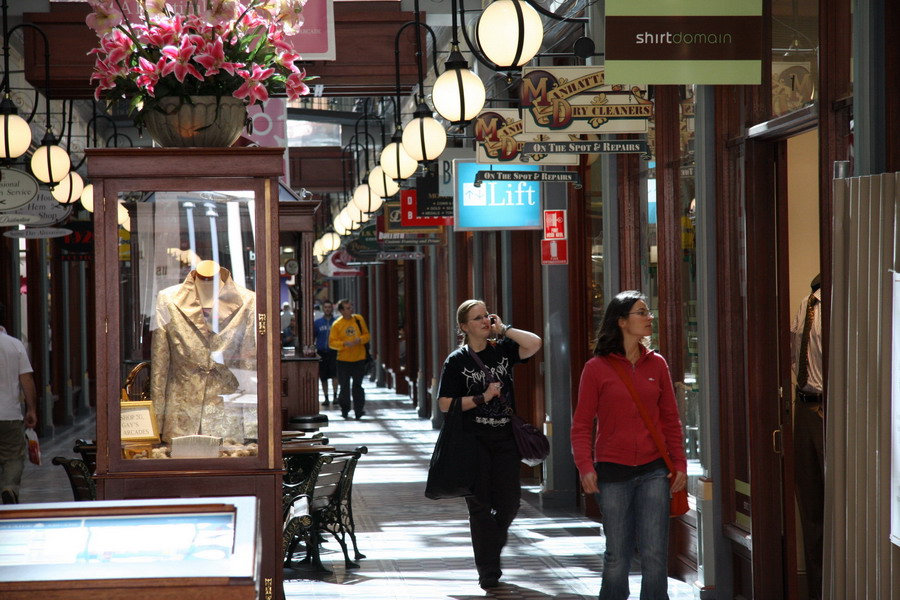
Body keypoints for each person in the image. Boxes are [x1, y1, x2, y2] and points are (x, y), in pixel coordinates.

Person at [571, 290, 687, 600]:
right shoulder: (596, 368)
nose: (650, 317)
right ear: (622, 322)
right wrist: (585, 466)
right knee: (617, 555)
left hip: (654, 470)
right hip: (613, 471)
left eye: (648, 312)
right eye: (642, 312)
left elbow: (671, 420)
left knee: (654, 554)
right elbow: (581, 424)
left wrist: (680, 464)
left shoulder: (657, 364)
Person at [436, 299, 542, 590]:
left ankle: (490, 546)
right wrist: (482, 397)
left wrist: (505, 329)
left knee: (509, 504)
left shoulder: (504, 350)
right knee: (480, 506)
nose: (485, 321)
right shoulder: (456, 361)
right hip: (473, 442)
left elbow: (534, 344)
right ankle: (488, 571)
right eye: (477, 318)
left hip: (506, 439)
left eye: (487, 316)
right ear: (464, 326)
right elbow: (445, 404)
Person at [790, 274, 824, 600]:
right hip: (803, 406)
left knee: (836, 506)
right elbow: (793, 353)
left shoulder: (836, 311)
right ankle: (816, 590)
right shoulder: (805, 305)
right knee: (810, 508)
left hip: (828, 411)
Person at [0, 306, 38, 504]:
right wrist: (31, 409)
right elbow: (26, 379)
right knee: (13, 457)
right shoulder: (15, 345)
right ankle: (9, 487)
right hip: (9, 415)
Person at [328, 299, 370, 420]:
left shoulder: (358, 319)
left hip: (359, 358)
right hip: (343, 360)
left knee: (358, 385)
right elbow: (332, 343)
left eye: (351, 307)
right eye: (347, 308)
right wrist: (344, 344)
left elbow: (367, 335)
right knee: (344, 386)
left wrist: (360, 340)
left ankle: (358, 410)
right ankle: (345, 409)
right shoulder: (337, 325)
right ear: (341, 311)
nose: (350, 310)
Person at [314, 300, 338, 406]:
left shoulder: (336, 322)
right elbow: (313, 336)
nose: (328, 309)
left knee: (335, 375)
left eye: (329, 307)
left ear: (332, 308)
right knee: (323, 376)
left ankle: (335, 396)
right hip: (322, 352)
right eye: (326, 307)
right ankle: (326, 397)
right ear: (323, 309)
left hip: (334, 351)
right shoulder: (318, 323)